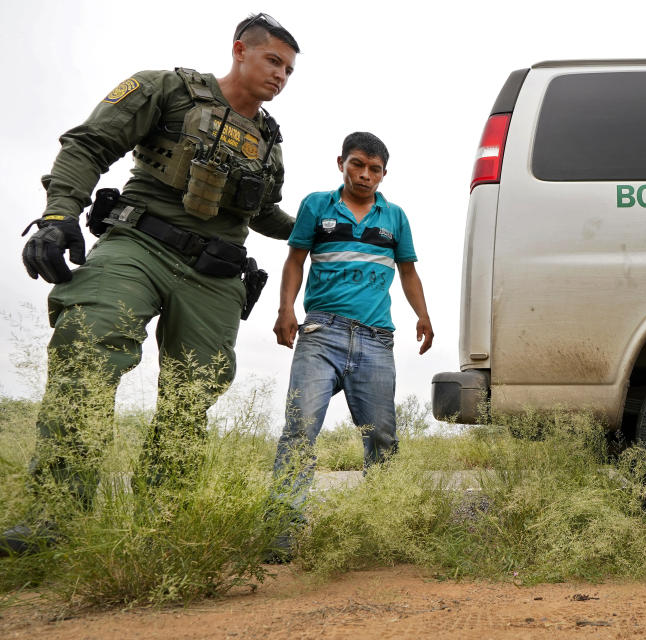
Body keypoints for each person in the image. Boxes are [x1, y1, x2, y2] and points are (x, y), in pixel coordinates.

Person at [2, 14, 300, 556]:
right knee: (89, 342)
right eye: (273, 61)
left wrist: (318, 228)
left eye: (289, 69)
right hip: (139, 245)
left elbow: (261, 214)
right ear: (239, 50)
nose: (281, 75)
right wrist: (57, 215)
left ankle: (162, 521)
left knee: (193, 392)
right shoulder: (168, 89)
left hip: (214, 273)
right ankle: (55, 515)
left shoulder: (269, 141)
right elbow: (89, 145)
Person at [271, 131, 434, 520]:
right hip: (320, 334)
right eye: (357, 164)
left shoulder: (395, 217)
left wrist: (423, 315)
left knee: (381, 435)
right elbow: (295, 261)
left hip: (376, 339)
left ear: (383, 174)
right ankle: (282, 527)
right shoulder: (316, 206)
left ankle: (382, 521)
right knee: (299, 430)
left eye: (374, 169)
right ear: (341, 163)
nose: (364, 175)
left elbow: (408, 272)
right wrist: (285, 309)